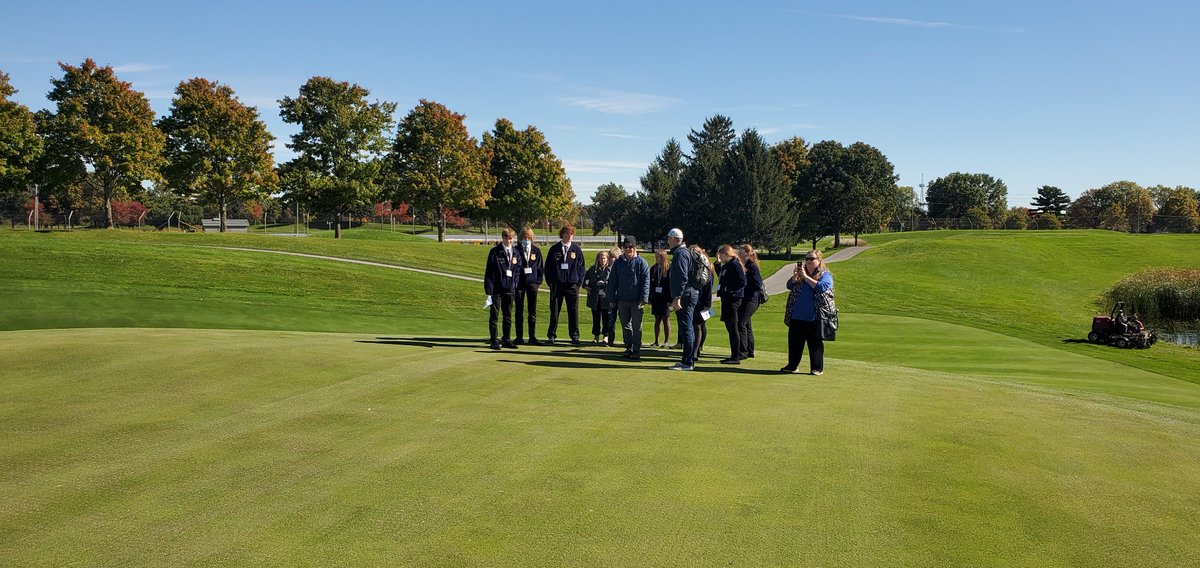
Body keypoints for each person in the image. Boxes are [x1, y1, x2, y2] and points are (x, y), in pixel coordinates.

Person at [782, 249, 834, 375]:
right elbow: (789, 285)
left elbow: (822, 287)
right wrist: (796, 277)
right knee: (794, 343)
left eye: (811, 259)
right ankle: (792, 366)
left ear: (819, 260)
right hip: (797, 315)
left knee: (815, 344)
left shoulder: (824, 275)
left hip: (814, 316)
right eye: (807, 259)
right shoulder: (801, 274)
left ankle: (817, 368)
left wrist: (806, 277)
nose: (808, 261)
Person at [607, 236, 651, 360]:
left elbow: (645, 282)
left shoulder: (641, 262)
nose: (628, 249)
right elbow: (612, 282)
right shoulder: (618, 263)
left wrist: (644, 298)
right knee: (625, 325)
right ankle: (629, 347)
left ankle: (636, 349)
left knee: (637, 326)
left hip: (637, 300)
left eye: (630, 247)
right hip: (622, 299)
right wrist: (611, 299)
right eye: (626, 247)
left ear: (635, 247)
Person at [545, 225, 586, 345]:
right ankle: (551, 335)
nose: (569, 236)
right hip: (557, 285)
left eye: (571, 234)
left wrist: (578, 283)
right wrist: (551, 283)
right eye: (567, 234)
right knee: (555, 311)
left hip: (572, 286)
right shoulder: (554, 249)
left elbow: (581, 268)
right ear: (562, 234)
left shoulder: (576, 250)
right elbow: (548, 268)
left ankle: (574, 336)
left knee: (573, 311)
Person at [666, 228, 698, 370]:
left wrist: (677, 297)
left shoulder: (680, 254)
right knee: (686, 328)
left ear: (673, 239)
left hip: (685, 295)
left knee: (686, 328)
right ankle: (686, 360)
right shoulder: (684, 252)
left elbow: (682, 277)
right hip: (688, 294)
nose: (667, 241)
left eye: (668, 238)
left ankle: (687, 362)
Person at [484, 228, 521, 350]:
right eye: (506, 238)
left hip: (510, 289)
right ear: (503, 238)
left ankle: (506, 339)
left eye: (511, 238)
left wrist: (514, 284)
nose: (509, 241)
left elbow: (517, 271)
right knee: (494, 315)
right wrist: (489, 291)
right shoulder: (495, 252)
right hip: (496, 289)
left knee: (508, 315)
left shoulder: (515, 253)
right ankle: (494, 340)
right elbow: (489, 273)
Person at [715, 245, 746, 365]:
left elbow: (742, 281)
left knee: (733, 328)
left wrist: (730, 290)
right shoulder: (727, 265)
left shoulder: (734, 264)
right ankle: (733, 355)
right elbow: (722, 277)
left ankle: (736, 356)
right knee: (730, 327)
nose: (720, 257)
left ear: (726, 254)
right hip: (726, 299)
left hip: (733, 300)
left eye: (721, 255)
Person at [513, 226, 543, 345]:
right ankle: (519, 337)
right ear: (521, 238)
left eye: (528, 237)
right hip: (519, 284)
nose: (526, 239)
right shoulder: (516, 250)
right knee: (519, 311)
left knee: (532, 311)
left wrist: (537, 282)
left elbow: (540, 268)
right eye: (524, 237)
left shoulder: (536, 251)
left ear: (532, 238)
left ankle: (532, 337)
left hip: (532, 284)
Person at [737, 244, 766, 360]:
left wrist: (746, 290)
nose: (739, 254)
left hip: (752, 299)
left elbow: (758, 284)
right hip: (746, 299)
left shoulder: (752, 266)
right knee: (747, 324)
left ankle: (743, 351)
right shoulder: (744, 265)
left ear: (748, 253)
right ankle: (750, 350)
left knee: (741, 323)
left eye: (742, 252)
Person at [690, 245, 714, 362]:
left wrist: (707, 305)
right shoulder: (695, 268)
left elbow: (708, 289)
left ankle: (695, 352)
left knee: (698, 326)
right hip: (697, 301)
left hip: (703, 302)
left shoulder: (707, 270)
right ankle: (697, 348)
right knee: (699, 325)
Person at [584, 251, 614, 345]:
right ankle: (596, 336)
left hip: (606, 298)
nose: (602, 260)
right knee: (596, 318)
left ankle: (605, 336)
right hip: (595, 297)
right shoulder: (593, 269)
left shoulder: (610, 270)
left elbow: (614, 283)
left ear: (607, 259)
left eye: (604, 258)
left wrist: (604, 283)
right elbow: (583, 278)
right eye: (600, 258)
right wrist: (585, 286)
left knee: (606, 317)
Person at [648, 250, 672, 347]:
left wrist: (671, 299)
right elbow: (650, 283)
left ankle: (666, 341)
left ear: (663, 257)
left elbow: (670, 284)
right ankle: (656, 341)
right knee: (657, 319)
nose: (656, 259)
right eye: (655, 257)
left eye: (658, 257)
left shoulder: (669, 269)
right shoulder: (653, 268)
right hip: (656, 297)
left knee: (665, 318)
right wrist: (650, 297)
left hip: (665, 297)